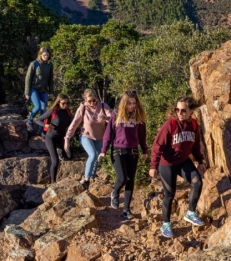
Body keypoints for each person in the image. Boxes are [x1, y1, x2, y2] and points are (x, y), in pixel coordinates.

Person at [149, 96, 207, 238]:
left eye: (183, 110)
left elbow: (195, 146)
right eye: (177, 110)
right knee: (169, 194)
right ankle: (166, 224)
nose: (180, 113)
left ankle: (190, 212)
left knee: (197, 182)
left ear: (191, 111)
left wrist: (200, 161)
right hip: (167, 164)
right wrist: (153, 166)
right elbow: (157, 145)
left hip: (182, 161)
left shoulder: (193, 125)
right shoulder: (171, 124)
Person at [99, 90, 148, 220]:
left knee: (131, 180)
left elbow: (142, 136)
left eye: (134, 103)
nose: (132, 106)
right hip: (117, 151)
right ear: (124, 103)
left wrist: (145, 150)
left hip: (133, 151)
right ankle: (115, 192)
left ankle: (126, 210)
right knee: (122, 178)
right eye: (129, 103)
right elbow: (108, 134)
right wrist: (103, 151)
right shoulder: (116, 115)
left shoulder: (139, 117)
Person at [65, 89, 111, 190]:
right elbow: (74, 123)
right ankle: (86, 180)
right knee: (93, 154)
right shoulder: (83, 108)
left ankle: (92, 177)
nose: (91, 103)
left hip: (100, 138)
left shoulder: (103, 106)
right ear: (85, 100)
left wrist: (105, 118)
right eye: (89, 101)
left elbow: (112, 119)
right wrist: (67, 138)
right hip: (86, 136)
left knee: (97, 158)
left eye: (94, 100)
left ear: (97, 99)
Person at [33, 94, 73, 184]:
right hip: (50, 137)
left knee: (69, 156)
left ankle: (60, 151)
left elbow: (70, 124)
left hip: (61, 137)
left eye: (67, 103)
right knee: (55, 161)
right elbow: (37, 120)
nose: (66, 105)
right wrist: (47, 125)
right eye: (63, 103)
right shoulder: (53, 111)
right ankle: (53, 182)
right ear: (58, 102)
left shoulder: (67, 111)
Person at [25, 47, 54, 132]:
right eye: (44, 55)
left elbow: (51, 80)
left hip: (43, 90)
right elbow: (28, 78)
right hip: (34, 89)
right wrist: (27, 92)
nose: (46, 56)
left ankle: (40, 131)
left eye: (47, 55)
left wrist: (51, 92)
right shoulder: (34, 64)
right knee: (37, 106)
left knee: (43, 112)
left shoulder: (50, 65)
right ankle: (29, 121)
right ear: (40, 55)